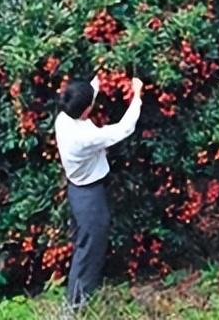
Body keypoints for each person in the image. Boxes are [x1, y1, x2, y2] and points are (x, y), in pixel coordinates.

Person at [55, 74, 144, 307]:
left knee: (86, 245)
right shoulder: (85, 137)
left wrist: (101, 76)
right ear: (86, 111)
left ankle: (80, 299)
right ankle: (75, 306)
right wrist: (137, 95)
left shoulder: (64, 117)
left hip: (80, 190)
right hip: (88, 196)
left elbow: (87, 93)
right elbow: (124, 129)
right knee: (89, 248)